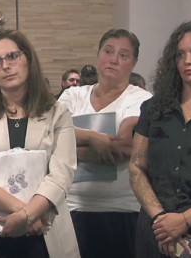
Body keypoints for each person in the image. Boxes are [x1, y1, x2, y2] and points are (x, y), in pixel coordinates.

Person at [0, 29, 79, 258]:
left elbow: (62, 174)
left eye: (12, 56)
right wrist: (24, 214)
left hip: (46, 230)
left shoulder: (57, 112)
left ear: (28, 60)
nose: (5, 65)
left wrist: (30, 214)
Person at [130, 20, 191, 257]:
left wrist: (184, 220)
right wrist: (162, 219)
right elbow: (136, 166)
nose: (187, 60)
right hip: (157, 229)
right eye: (180, 54)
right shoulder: (153, 108)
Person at [58, 29, 152, 258]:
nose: (114, 59)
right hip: (71, 207)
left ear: (134, 62)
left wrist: (70, 144)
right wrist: (94, 139)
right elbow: (51, 137)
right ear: (98, 54)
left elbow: (125, 146)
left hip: (121, 210)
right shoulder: (73, 96)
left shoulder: (139, 98)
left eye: (124, 55)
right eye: (108, 51)